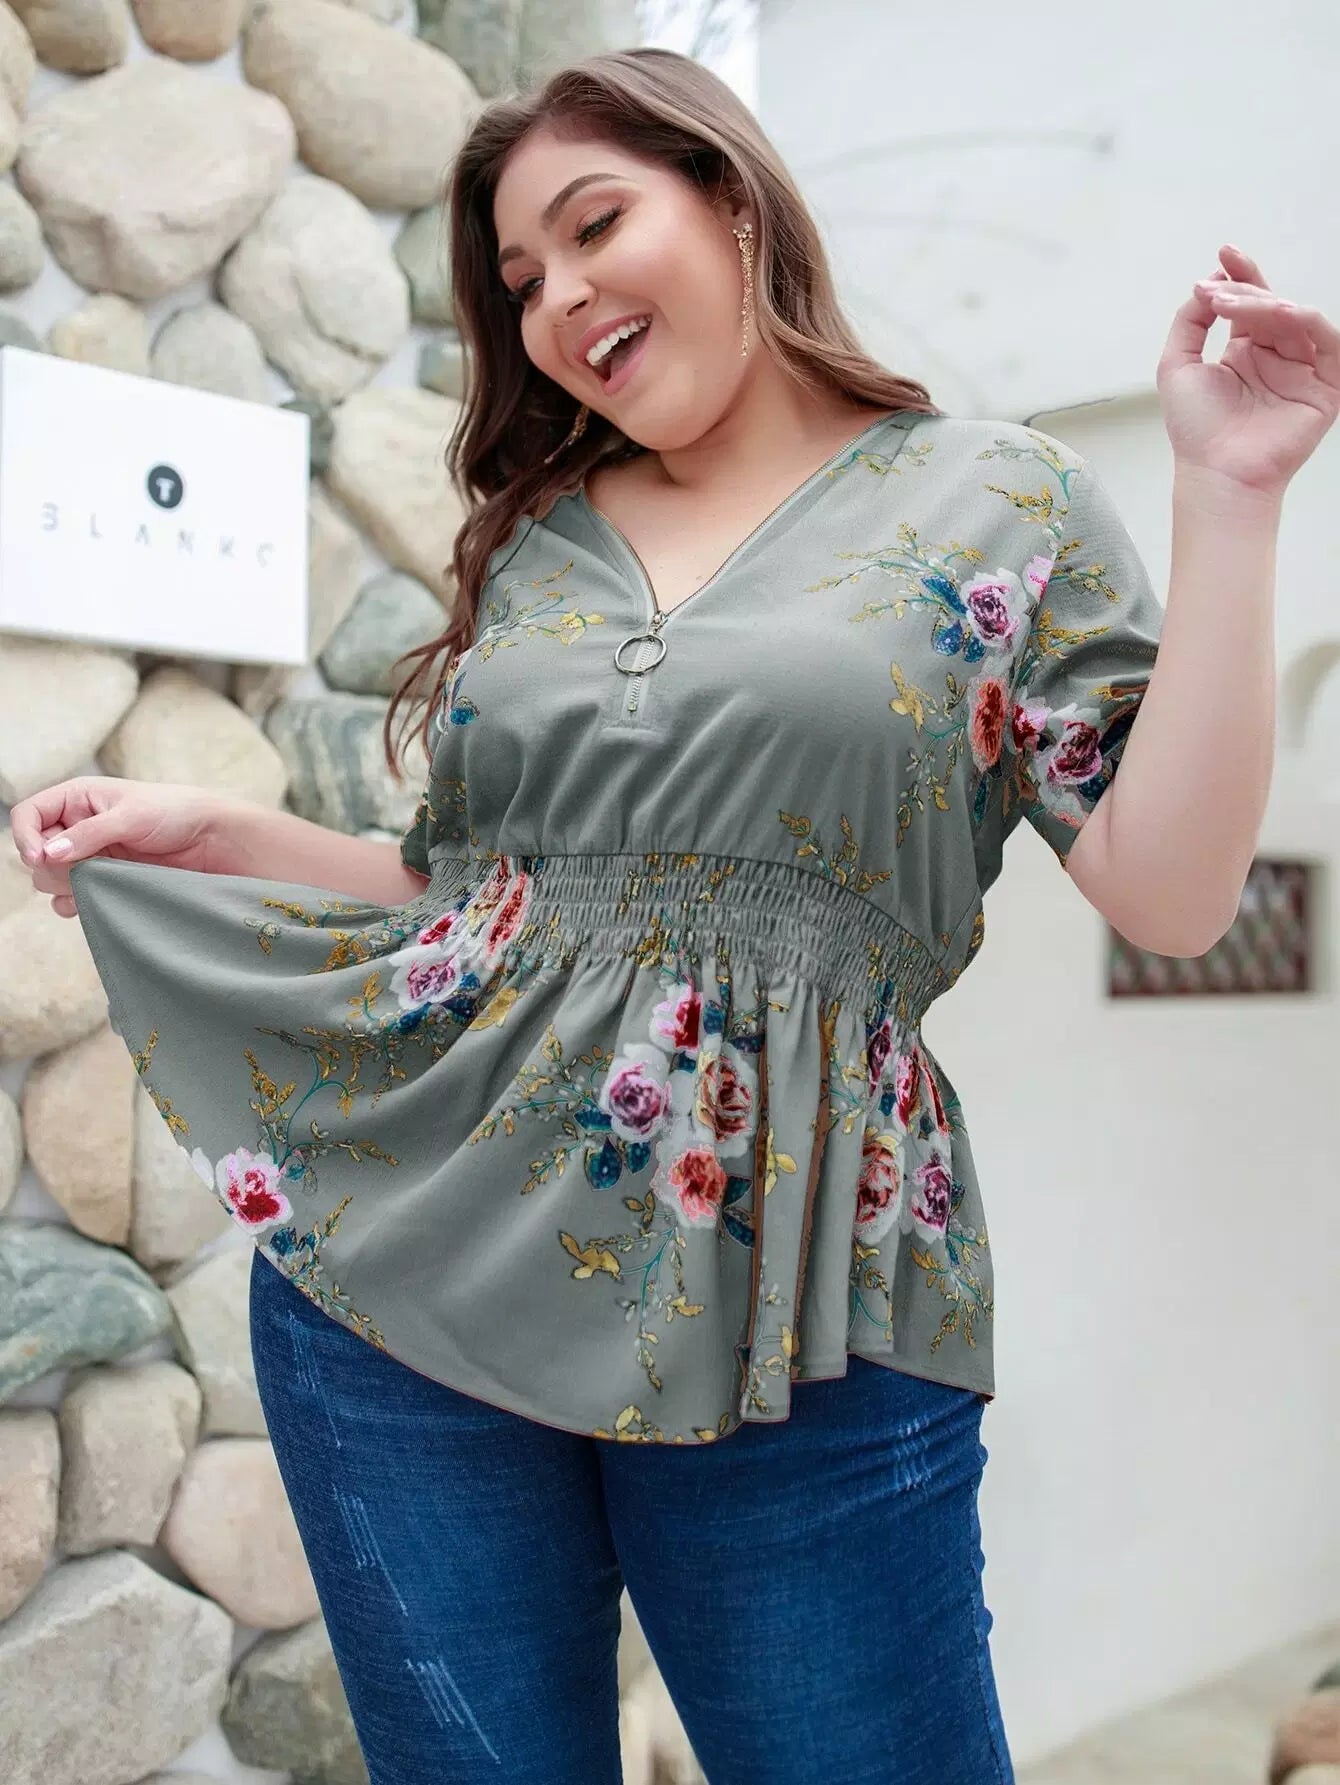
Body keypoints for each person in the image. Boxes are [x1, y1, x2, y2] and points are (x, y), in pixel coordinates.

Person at [9, 45, 1336, 1785]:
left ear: (731, 199)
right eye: (518, 279)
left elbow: (1169, 891)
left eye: (592, 226)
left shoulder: (995, 499)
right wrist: (224, 830)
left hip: (805, 1298)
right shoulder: (538, 537)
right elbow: (485, 907)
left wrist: (1232, 499)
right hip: (411, 1288)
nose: (556, 297)